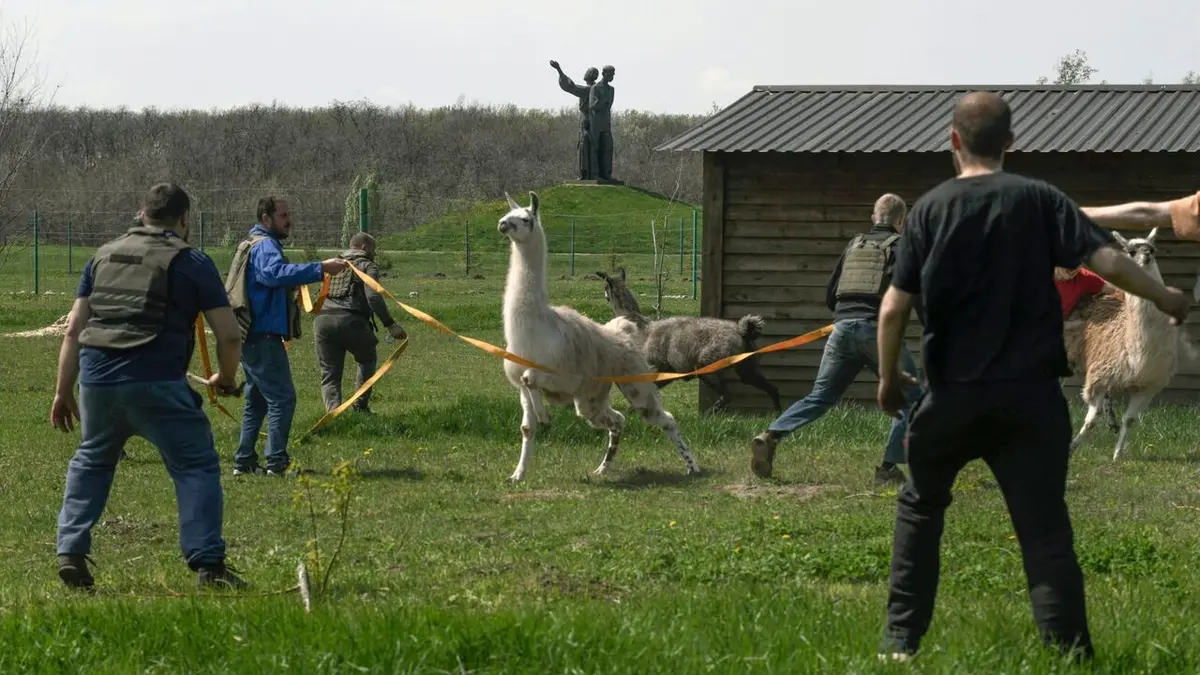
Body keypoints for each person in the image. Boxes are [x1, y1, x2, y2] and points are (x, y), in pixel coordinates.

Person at [873, 91, 1190, 663]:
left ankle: (900, 644)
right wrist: (1164, 294)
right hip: (1030, 399)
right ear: (1010, 144)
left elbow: (893, 308)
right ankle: (1069, 654)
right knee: (1044, 529)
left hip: (952, 395)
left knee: (921, 509)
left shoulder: (927, 210)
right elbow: (1108, 261)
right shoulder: (1042, 200)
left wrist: (888, 378)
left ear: (953, 140)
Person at [50, 182, 249, 591]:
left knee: (92, 460)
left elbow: (74, 330)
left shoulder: (102, 256)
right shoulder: (191, 260)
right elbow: (229, 336)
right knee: (195, 464)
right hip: (156, 378)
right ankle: (208, 564)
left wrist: (61, 391)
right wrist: (225, 380)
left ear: (142, 214)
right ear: (183, 220)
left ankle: (70, 550)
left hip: (97, 379)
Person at [749, 193, 924, 485]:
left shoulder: (854, 245)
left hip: (841, 330)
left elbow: (831, 296)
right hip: (876, 332)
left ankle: (771, 435)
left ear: (873, 218)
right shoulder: (903, 246)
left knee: (821, 396)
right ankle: (888, 469)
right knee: (911, 397)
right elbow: (913, 293)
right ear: (901, 221)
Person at [227, 196, 348, 476]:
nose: (289, 220)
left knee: (256, 401)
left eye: (289, 214)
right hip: (263, 337)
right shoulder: (266, 245)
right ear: (266, 219)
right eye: (283, 215)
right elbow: (273, 274)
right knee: (283, 400)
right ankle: (276, 463)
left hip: (248, 337)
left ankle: (244, 462)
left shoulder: (251, 244)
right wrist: (321, 269)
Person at [314, 232, 407, 413]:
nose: (375, 253)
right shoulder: (367, 265)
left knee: (329, 372)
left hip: (322, 321)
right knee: (367, 359)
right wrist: (390, 324)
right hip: (352, 320)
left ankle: (333, 414)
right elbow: (373, 296)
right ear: (364, 248)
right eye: (374, 249)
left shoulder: (332, 263)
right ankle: (360, 407)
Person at [550, 60, 598, 180]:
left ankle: (585, 174)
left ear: (589, 75)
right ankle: (589, 174)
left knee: (584, 147)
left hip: (587, 121)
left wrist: (559, 70)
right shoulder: (596, 89)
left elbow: (571, 87)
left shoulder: (588, 90)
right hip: (593, 121)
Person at [588, 65, 616, 181]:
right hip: (595, 122)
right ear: (604, 73)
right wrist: (602, 102)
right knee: (595, 147)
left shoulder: (611, 89)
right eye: (610, 74)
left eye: (613, 74)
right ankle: (595, 174)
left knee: (607, 147)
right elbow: (593, 106)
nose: (612, 76)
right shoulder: (595, 88)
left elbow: (608, 106)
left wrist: (602, 103)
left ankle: (606, 173)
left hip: (606, 121)